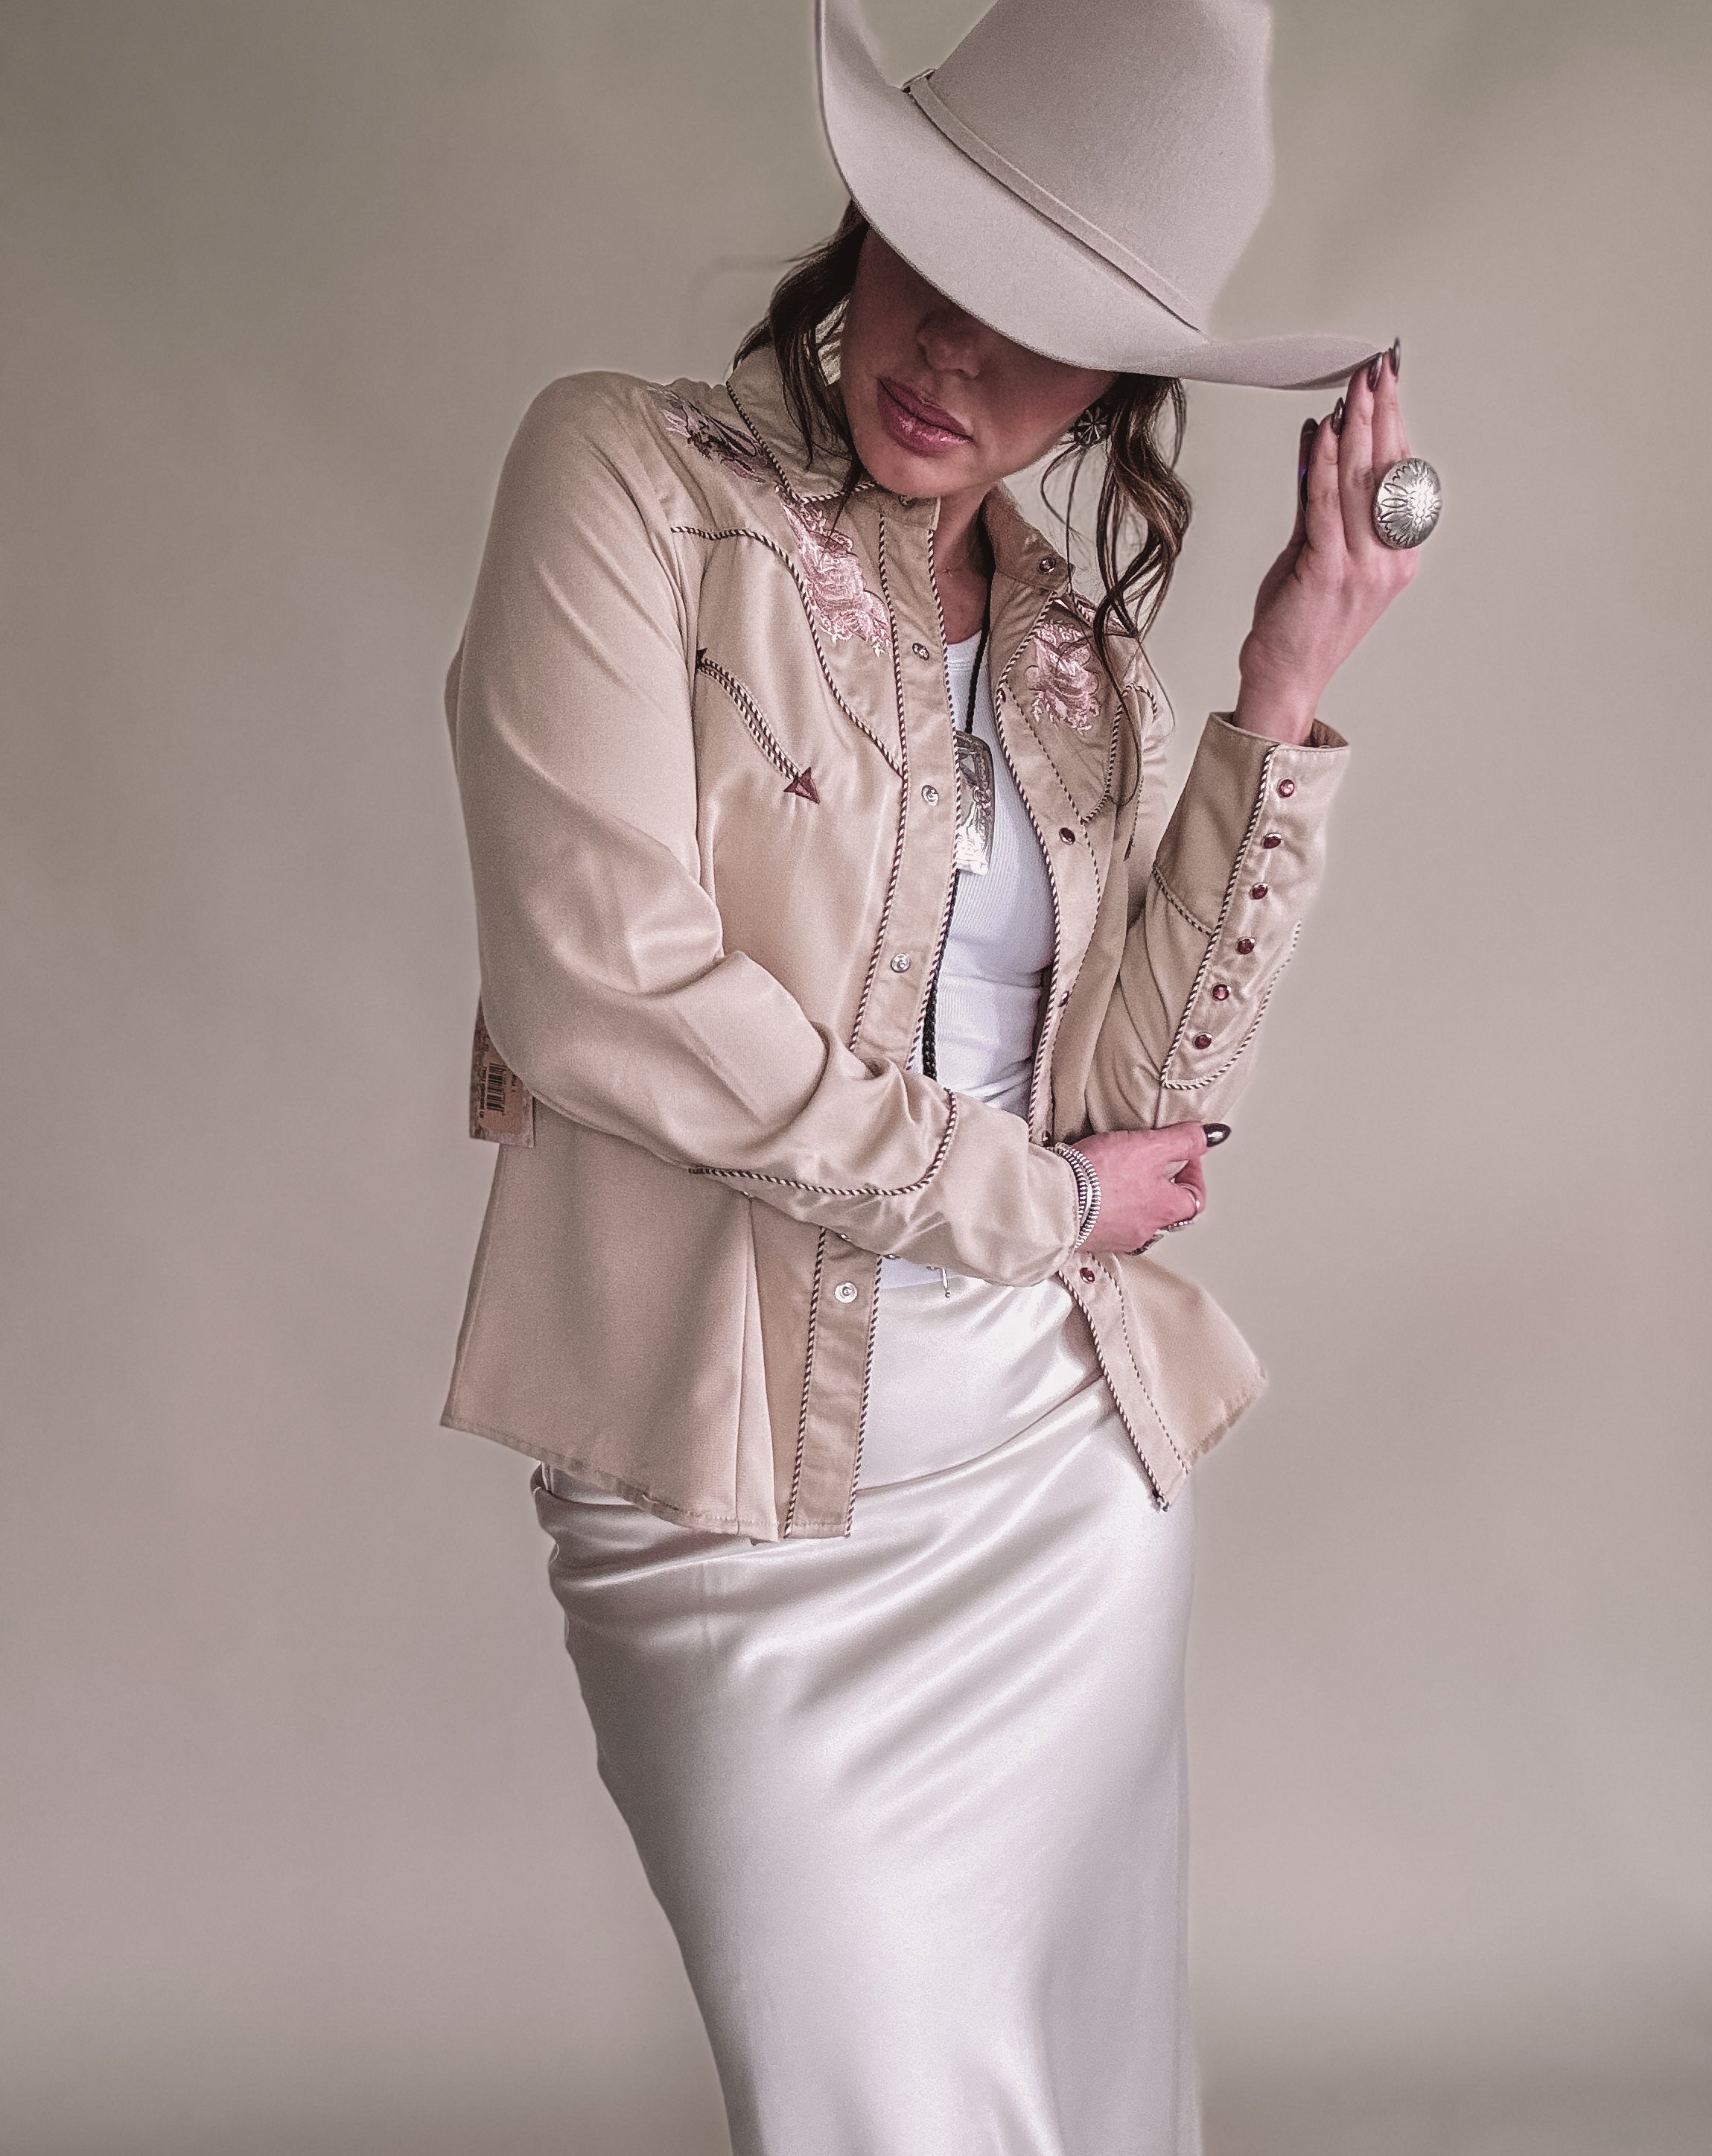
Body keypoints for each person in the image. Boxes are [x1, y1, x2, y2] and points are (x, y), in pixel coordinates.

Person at [441, 2, 1438, 2149]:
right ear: (867, 217)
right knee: (865, 2097)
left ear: (1123, 386)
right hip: (723, 1482)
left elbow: (1145, 1101)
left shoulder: (1074, 652)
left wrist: (1282, 685)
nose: (957, 354)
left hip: (1055, 1480)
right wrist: (1029, 1204)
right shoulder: (627, 482)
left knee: (1080, 2093)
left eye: (1047, 330)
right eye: (942, 258)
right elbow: (603, 985)